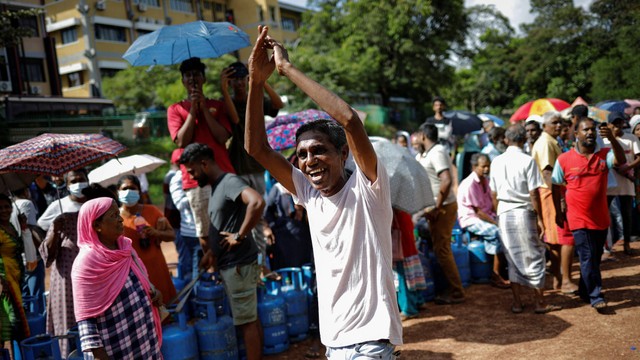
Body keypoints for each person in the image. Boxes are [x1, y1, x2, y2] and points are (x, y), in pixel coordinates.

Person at [244, 26, 402, 358]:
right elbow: (256, 148)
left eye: (319, 151)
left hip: (371, 339)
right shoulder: (309, 193)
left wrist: (286, 70)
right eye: (301, 155)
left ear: (342, 154)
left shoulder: (368, 187)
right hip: (334, 341)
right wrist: (256, 83)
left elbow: (350, 120)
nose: (309, 160)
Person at [179, 143, 265, 360]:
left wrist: (240, 235)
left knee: (246, 322)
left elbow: (256, 202)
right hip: (230, 263)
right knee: (249, 318)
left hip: (238, 264)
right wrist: (212, 253)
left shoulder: (229, 182)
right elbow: (225, 223)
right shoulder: (217, 186)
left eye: (192, 171)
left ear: (204, 163)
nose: (191, 176)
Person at [71, 197, 163, 359]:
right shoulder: (86, 262)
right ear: (97, 226)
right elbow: (86, 319)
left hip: (145, 343)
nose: (120, 219)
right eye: (113, 215)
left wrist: (153, 291)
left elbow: (142, 280)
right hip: (117, 349)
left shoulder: (124, 248)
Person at [552, 117, 626, 313]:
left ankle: (585, 291)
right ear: (576, 134)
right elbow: (556, 185)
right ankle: (596, 296)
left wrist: (613, 139)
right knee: (587, 256)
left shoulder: (604, 154)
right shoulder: (564, 159)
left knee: (595, 256)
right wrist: (559, 213)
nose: (591, 133)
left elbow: (622, 160)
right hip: (578, 218)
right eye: (585, 130)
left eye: (593, 129)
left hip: (600, 217)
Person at [167, 57, 235, 258]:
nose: (193, 78)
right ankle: (215, 270)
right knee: (204, 231)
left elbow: (222, 136)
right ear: (183, 81)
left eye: (197, 74)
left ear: (204, 78)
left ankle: (230, 264)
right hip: (195, 181)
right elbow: (182, 141)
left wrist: (204, 108)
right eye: (188, 75)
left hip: (223, 175)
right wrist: (193, 110)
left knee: (230, 225)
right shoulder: (175, 109)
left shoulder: (218, 106)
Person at [490, 125, 561, 314]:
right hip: (523, 212)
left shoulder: (496, 161)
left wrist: (498, 213)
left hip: (504, 213)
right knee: (535, 256)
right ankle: (540, 302)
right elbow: (533, 193)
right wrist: (539, 218)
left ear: (506, 140)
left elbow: (493, 193)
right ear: (523, 140)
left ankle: (517, 303)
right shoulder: (527, 161)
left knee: (512, 257)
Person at [39, 184, 117, 357]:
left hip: (98, 282)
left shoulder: (107, 221)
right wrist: (56, 229)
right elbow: (47, 255)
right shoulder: (64, 220)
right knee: (69, 329)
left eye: (81, 178)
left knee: (98, 330)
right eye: (74, 179)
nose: (78, 183)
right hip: (67, 284)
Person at [220, 60, 283, 271]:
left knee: (257, 218)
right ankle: (246, 264)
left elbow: (278, 105)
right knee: (240, 219)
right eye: (234, 79)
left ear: (247, 79)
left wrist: (261, 82)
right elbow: (236, 118)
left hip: (256, 167)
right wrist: (223, 89)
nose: (238, 83)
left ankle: (260, 265)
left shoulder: (256, 99)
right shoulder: (226, 102)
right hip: (236, 167)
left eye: (242, 78)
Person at [415, 123, 466, 304]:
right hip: (435, 207)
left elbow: (446, 180)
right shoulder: (425, 154)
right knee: (439, 249)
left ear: (423, 135)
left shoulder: (436, 152)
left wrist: (436, 206)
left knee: (442, 250)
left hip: (443, 207)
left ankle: (457, 291)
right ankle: (450, 287)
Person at [531, 111, 577, 293]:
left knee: (557, 239)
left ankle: (560, 279)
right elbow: (547, 173)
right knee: (564, 237)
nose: (558, 126)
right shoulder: (545, 143)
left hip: (553, 192)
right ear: (544, 126)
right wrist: (560, 199)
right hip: (551, 193)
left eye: (559, 122)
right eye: (554, 122)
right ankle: (564, 280)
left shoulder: (551, 141)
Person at [117, 175, 177, 301]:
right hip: (133, 272)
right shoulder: (115, 218)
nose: (128, 191)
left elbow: (171, 235)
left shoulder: (152, 211)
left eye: (132, 188)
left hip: (156, 267)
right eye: (124, 188)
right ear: (118, 191)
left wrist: (156, 233)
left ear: (139, 191)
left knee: (165, 307)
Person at [457, 153, 508, 288]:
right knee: (498, 232)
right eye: (483, 166)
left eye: (488, 166)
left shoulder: (486, 181)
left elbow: (490, 205)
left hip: (486, 216)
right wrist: (496, 223)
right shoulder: (469, 184)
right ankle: (496, 275)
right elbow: (478, 212)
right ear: (474, 167)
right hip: (471, 219)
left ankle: (504, 270)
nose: (486, 169)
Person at [603, 111, 640, 256]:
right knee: (606, 216)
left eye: (620, 123)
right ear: (609, 125)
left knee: (626, 215)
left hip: (626, 183)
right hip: (609, 184)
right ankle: (607, 246)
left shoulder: (630, 138)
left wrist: (628, 167)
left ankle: (626, 244)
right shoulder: (604, 141)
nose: (618, 126)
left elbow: (638, 157)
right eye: (615, 123)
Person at [0, 194, 30, 354]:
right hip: (5, 283)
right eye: (0, 208)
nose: (4, 210)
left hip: (16, 279)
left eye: (7, 206)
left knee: (17, 321)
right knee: (12, 324)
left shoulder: (11, 226)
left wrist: (23, 225)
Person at [392, 208, 427, 321]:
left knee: (403, 278)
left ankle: (409, 309)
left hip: (400, 247)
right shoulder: (404, 206)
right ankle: (418, 301)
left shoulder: (393, 207)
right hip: (408, 244)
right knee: (413, 276)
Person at [169, 169, 200, 280]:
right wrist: (197, 195)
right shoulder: (177, 178)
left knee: (198, 266)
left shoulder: (201, 173)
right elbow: (180, 204)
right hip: (189, 231)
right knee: (192, 267)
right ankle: (193, 294)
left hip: (204, 231)